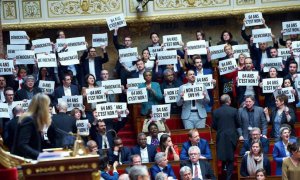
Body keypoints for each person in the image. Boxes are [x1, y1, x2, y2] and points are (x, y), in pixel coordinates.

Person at [12, 93, 55, 159]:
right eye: (47, 106)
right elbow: (22, 145)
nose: (49, 109)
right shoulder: (28, 120)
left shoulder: (35, 119)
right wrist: (40, 155)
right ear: (42, 107)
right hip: (24, 162)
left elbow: (35, 143)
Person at [212, 94, 239, 180]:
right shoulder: (234, 110)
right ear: (229, 101)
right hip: (232, 137)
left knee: (223, 156)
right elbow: (238, 124)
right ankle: (228, 177)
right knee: (230, 158)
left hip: (221, 137)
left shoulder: (216, 112)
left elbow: (214, 126)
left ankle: (224, 173)